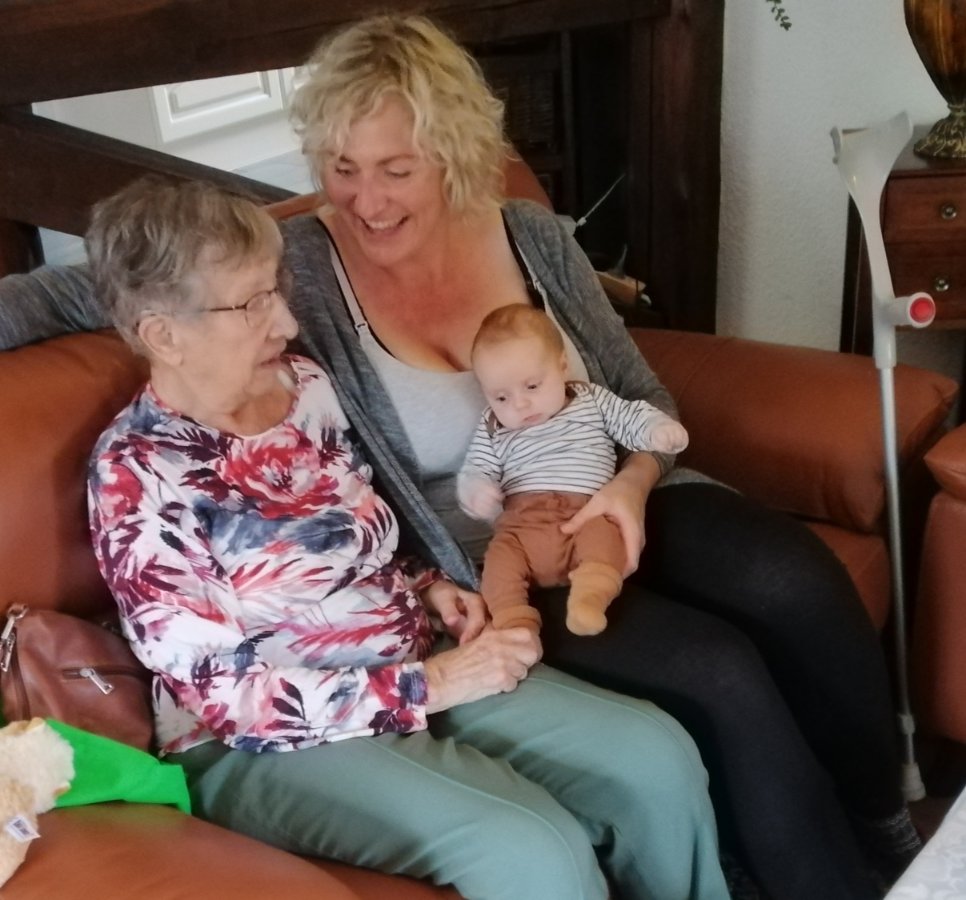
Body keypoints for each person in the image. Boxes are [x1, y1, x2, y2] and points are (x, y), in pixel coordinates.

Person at [0, 13, 921, 900]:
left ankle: (892, 833)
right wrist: (435, 649)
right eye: (342, 169)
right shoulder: (253, 324)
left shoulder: (457, 280)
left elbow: (618, 405)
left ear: (452, 155)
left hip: (593, 504)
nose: (365, 199)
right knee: (710, 672)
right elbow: (126, 286)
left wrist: (628, 490)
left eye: (397, 168)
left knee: (789, 582)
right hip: (490, 552)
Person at [82, 176, 729, 900]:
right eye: (251, 303)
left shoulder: (305, 386)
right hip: (269, 741)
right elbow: (230, 700)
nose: (287, 321)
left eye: (276, 290)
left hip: (410, 656)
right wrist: (437, 683)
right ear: (163, 335)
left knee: (654, 757)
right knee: (532, 850)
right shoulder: (136, 476)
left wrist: (430, 587)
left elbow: (365, 536)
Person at [458, 303, 688, 636]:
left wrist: (657, 430)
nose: (520, 404)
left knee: (604, 540)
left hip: (585, 513)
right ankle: (515, 623)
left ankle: (590, 598)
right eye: (501, 398)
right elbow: (476, 468)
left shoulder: (590, 399)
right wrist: (476, 490)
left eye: (532, 386)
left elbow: (631, 418)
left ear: (562, 366)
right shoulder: (493, 426)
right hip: (521, 527)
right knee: (497, 565)